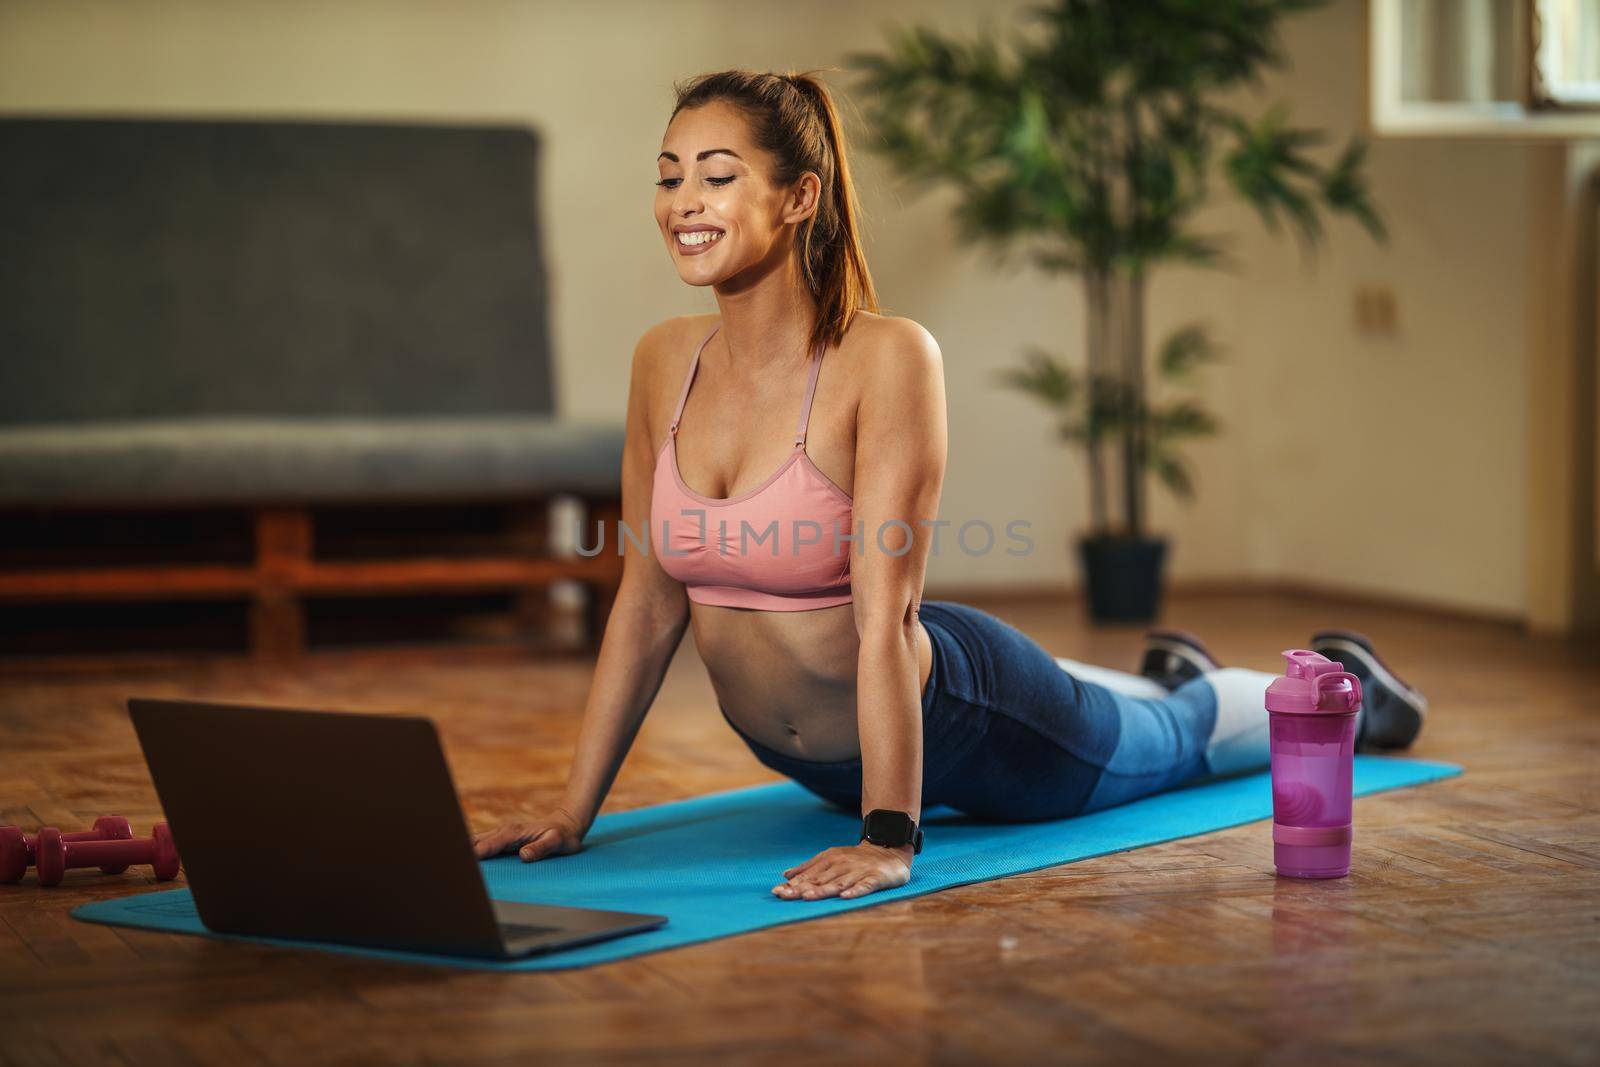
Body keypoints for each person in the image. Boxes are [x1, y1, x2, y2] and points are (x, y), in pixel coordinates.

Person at [471, 69, 1428, 902]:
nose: (684, 200)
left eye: (718, 177)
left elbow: (883, 620)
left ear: (800, 197)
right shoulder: (662, 361)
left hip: (965, 718)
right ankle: (1162, 677)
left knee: (1171, 746)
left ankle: (1344, 695)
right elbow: (645, 601)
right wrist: (572, 809)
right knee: (1142, 714)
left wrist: (891, 835)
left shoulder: (884, 358)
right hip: (805, 758)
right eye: (670, 176)